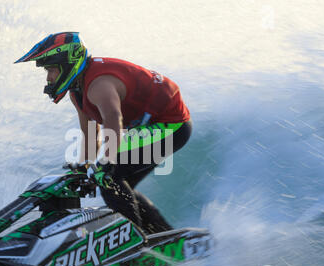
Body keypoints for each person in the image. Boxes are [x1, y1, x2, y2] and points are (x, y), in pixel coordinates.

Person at [15, 32, 192, 234]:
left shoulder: (98, 84)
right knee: (117, 183)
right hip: (149, 127)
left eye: (52, 70)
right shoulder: (77, 91)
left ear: (67, 64)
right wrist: (83, 167)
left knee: (108, 177)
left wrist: (107, 161)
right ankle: (162, 235)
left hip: (172, 125)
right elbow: (90, 133)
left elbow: (113, 119)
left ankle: (135, 242)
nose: (49, 78)